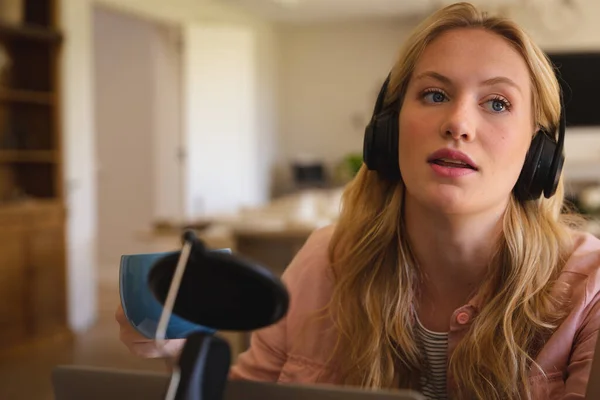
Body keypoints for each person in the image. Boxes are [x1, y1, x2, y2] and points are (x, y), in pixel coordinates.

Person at [115, 2, 600, 399]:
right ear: (386, 132)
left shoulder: (589, 291)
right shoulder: (324, 261)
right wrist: (183, 356)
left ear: (538, 153)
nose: (459, 123)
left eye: (497, 103)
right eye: (433, 94)